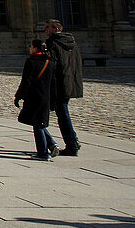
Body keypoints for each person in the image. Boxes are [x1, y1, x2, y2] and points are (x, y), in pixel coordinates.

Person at [14, 38, 58, 161]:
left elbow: (25, 82)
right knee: (39, 122)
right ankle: (52, 144)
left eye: (31, 46)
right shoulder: (50, 63)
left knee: (37, 125)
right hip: (46, 97)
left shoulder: (31, 62)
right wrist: (53, 100)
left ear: (35, 48)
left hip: (33, 97)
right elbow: (53, 84)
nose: (29, 48)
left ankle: (43, 154)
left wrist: (18, 96)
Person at [45, 19, 83, 156]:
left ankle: (72, 145)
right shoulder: (71, 42)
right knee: (64, 111)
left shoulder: (52, 43)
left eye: (48, 28)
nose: (45, 30)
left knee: (62, 114)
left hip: (58, 83)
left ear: (56, 29)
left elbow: (50, 65)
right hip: (70, 80)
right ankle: (73, 139)